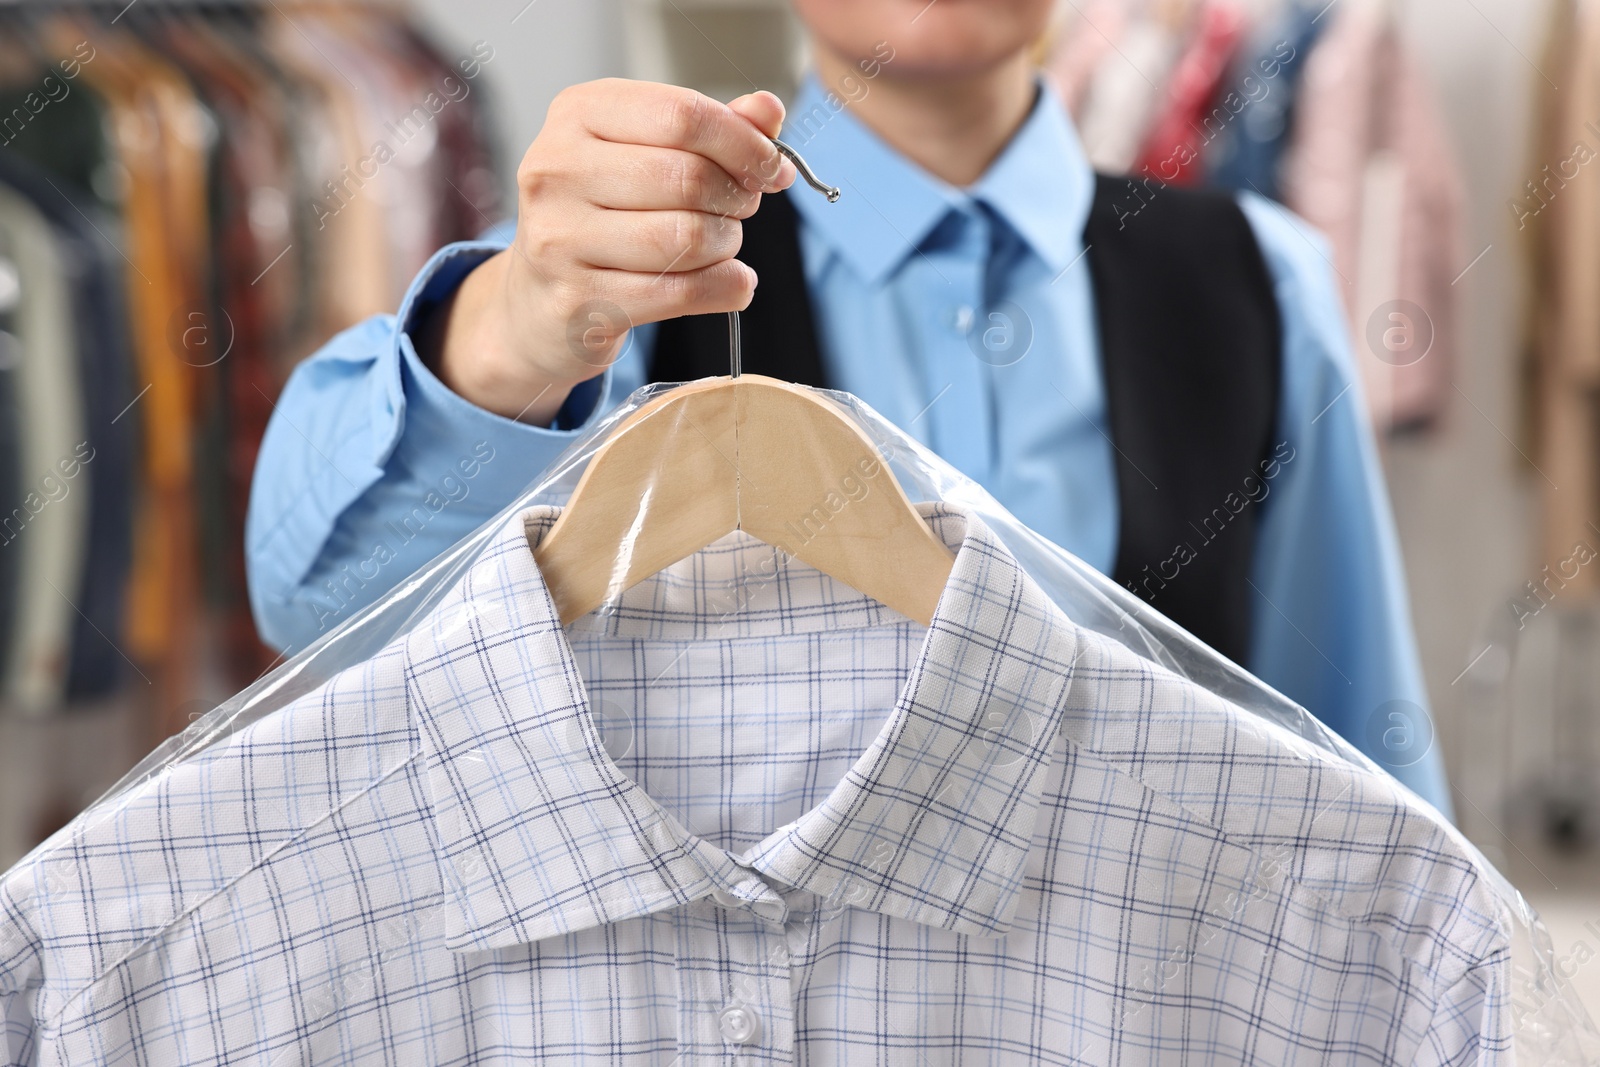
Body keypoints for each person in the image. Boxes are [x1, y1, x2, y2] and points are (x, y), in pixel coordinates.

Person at [244, 0, 1451, 815]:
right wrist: (510, 331)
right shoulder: (610, 282)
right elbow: (324, 605)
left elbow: (1354, 756)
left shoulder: (1260, 278)